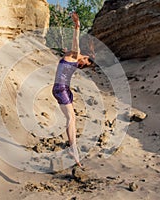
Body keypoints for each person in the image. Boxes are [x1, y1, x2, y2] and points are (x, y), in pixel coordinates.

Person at [52, 12, 94, 168]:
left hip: (64, 88)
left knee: (73, 118)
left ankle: (73, 149)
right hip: (60, 88)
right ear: (85, 57)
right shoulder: (76, 55)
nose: (82, 65)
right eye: (85, 63)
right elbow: (75, 40)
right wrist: (77, 25)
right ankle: (73, 149)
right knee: (71, 118)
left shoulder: (71, 56)